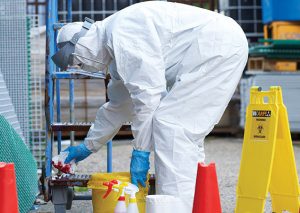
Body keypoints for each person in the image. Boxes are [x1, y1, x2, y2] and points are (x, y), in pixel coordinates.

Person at [52, 1, 248, 211]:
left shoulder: (123, 33)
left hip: (218, 47)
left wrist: (141, 152)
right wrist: (86, 147)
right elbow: (119, 106)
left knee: (171, 126)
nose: (82, 67)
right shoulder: (116, 50)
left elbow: (149, 98)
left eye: (78, 61)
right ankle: (192, 204)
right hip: (215, 48)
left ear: (81, 44)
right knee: (180, 132)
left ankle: (177, 207)